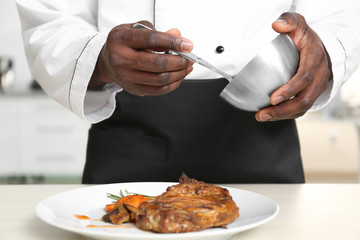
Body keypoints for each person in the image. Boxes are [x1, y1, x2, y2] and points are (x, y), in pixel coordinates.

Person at [15, 0, 360, 184]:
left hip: (263, 133)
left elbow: (341, 10)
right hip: (130, 142)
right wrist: (99, 58)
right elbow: (50, 19)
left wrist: (327, 49)